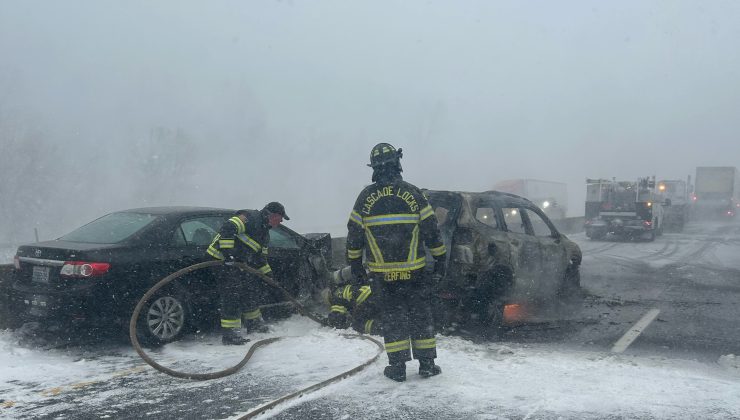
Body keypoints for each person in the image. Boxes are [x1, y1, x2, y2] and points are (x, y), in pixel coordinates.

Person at [345, 143, 447, 382]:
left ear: (375, 168)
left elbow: (354, 234)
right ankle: (427, 364)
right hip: (415, 271)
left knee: (393, 318)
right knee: (421, 315)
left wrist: (356, 265)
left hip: (382, 274)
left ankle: (398, 368)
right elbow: (431, 230)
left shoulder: (365, 197)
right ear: (397, 164)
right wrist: (440, 258)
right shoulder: (413, 193)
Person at [207, 202, 289, 345]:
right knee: (232, 293)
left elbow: (260, 259)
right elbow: (228, 228)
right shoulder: (251, 218)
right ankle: (230, 334)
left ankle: (254, 324)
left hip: (239, 264)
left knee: (250, 290)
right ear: (273, 215)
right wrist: (228, 255)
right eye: (280, 218)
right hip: (220, 260)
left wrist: (269, 277)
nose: (281, 221)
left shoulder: (265, 235)